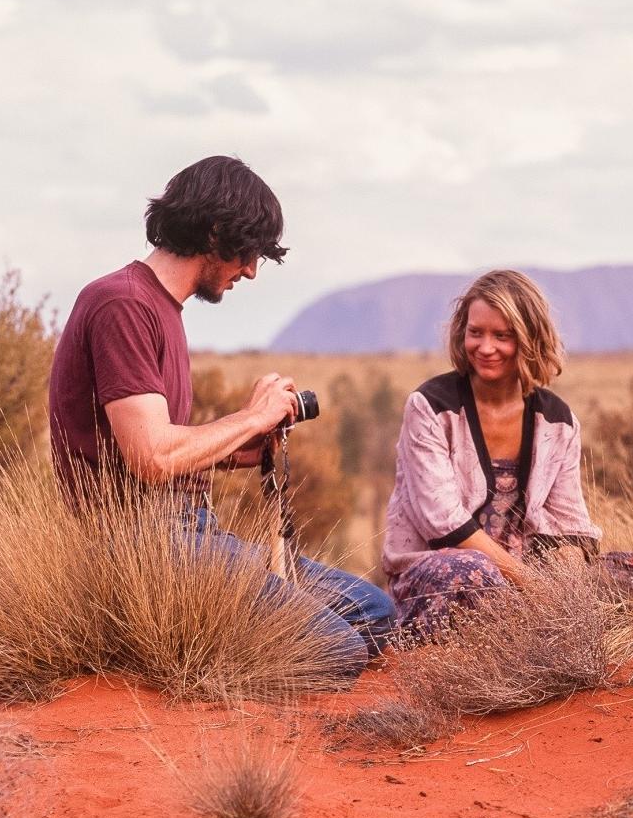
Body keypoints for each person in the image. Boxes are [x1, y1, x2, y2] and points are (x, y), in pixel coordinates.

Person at [48, 155, 397, 682]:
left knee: (375, 613)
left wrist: (249, 450)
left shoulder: (162, 307)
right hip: (143, 544)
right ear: (215, 232)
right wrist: (253, 416)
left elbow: (161, 446)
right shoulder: (122, 304)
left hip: (192, 533)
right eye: (249, 250)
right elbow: (152, 457)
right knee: (338, 651)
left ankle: (229, 634)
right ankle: (190, 665)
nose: (252, 270)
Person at [382, 269, 600, 634]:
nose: (485, 348)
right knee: (472, 575)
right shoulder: (430, 407)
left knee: (632, 573)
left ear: (530, 339)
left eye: (502, 336)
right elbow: (444, 524)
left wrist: (568, 579)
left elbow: (570, 524)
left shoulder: (558, 422)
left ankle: (537, 634)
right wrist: (534, 588)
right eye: (475, 332)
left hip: (525, 572)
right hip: (443, 569)